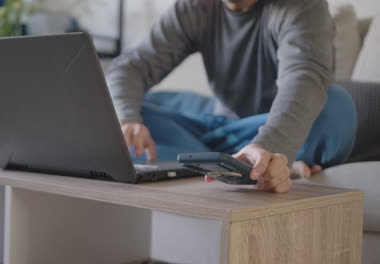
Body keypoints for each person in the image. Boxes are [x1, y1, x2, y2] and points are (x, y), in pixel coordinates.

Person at [105, 0, 357, 193]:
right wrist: (127, 118)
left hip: (267, 132)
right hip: (215, 131)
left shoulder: (302, 6)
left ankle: (254, 164)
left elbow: (304, 80)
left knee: (336, 107)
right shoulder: (195, 7)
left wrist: (269, 147)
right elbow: (130, 67)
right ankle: (231, 166)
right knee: (117, 119)